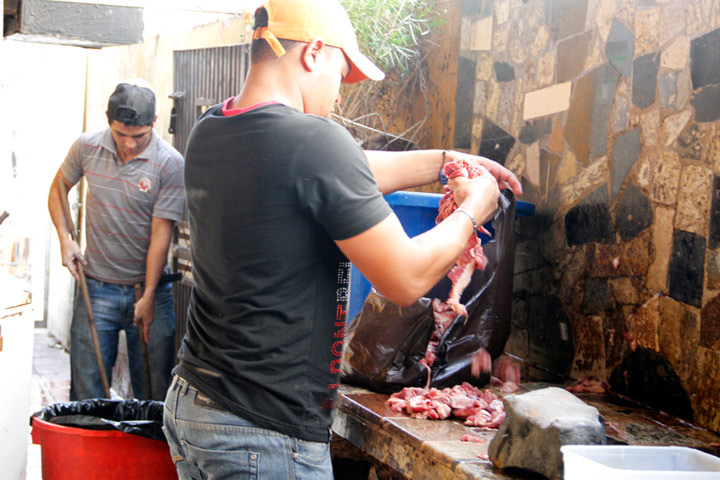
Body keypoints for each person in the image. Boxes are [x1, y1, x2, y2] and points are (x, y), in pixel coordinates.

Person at [162, 0, 522, 478]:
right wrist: (475, 207)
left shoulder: (213, 128)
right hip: (264, 430)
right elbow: (406, 278)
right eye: (342, 70)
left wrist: (446, 161)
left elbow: (343, 172)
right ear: (312, 52)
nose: (339, 93)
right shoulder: (312, 141)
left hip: (197, 405)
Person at [47, 80, 185, 401]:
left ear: (154, 122)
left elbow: (160, 232)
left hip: (149, 290)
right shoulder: (87, 146)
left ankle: (145, 451)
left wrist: (149, 294)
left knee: (153, 394)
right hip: (95, 287)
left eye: (138, 136)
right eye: (120, 134)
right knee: (87, 393)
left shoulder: (169, 163)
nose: (129, 144)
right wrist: (66, 241)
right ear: (107, 117)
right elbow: (57, 190)